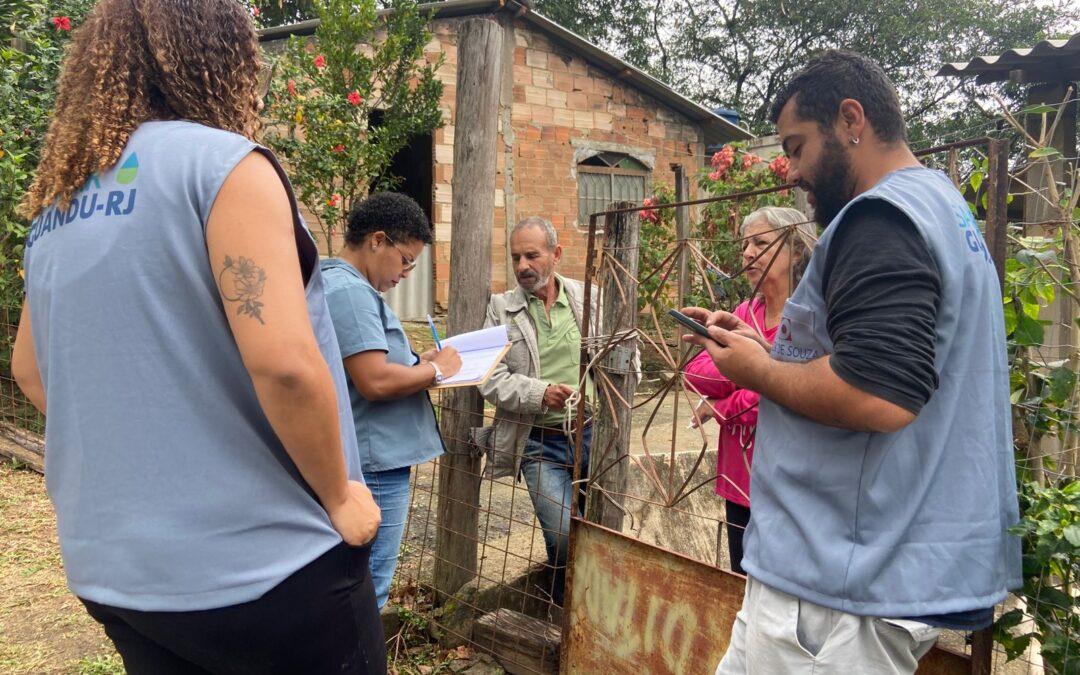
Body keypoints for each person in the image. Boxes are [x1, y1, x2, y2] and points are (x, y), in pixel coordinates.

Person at [11, 0, 386, 671]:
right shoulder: (225, 167)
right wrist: (339, 495)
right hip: (267, 569)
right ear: (218, 53)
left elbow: (31, 371)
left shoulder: (56, 206)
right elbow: (286, 366)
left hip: (116, 574)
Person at [681, 50, 1020, 674]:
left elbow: (878, 396)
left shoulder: (879, 219)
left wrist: (756, 373)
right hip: (855, 564)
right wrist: (765, 351)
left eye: (797, 147)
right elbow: (889, 363)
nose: (792, 172)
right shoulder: (941, 207)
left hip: (838, 585)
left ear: (850, 119)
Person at [321, 192, 461, 609]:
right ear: (377, 240)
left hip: (370, 454)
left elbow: (372, 363)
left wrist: (418, 362)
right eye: (406, 261)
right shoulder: (349, 292)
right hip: (375, 461)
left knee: (360, 580)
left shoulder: (339, 284)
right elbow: (375, 381)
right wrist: (437, 371)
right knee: (370, 585)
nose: (406, 274)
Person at [683, 206, 815, 575]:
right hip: (737, 478)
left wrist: (719, 405)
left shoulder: (807, 319)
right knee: (740, 583)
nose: (748, 253)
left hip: (787, 480)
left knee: (782, 584)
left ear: (796, 251)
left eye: (760, 242)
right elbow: (696, 373)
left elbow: (790, 392)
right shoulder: (745, 312)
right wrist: (751, 370)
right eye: (745, 245)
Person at [475, 216, 597, 606]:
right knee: (562, 534)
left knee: (599, 533)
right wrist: (541, 394)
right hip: (539, 442)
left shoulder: (587, 299)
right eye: (516, 258)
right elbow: (489, 378)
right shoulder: (501, 309)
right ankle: (565, 612)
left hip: (593, 436)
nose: (523, 266)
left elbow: (621, 355)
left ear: (556, 254)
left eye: (532, 255)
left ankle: (584, 613)